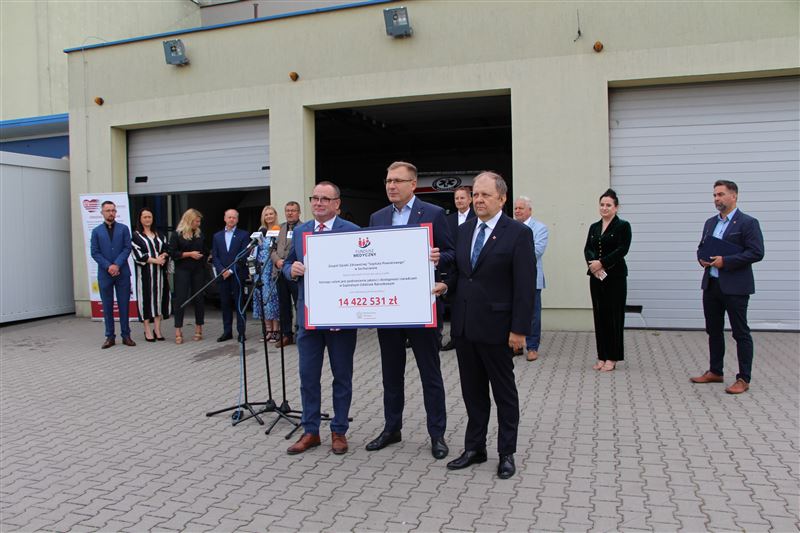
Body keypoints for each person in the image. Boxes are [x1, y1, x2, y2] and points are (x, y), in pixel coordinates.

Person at [434, 171, 535, 479]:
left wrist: (519, 330)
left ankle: (507, 453)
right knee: (473, 393)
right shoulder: (464, 231)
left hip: (498, 329)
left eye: (485, 195)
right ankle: (475, 448)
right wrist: (445, 286)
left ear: (501, 199)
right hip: (465, 328)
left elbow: (525, 287)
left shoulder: (517, 233)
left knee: (504, 394)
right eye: (475, 194)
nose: (478, 200)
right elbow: (462, 275)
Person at [366, 161, 454, 460]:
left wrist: (439, 257)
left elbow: (452, 252)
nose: (391, 186)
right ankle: (392, 429)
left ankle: (437, 434)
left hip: (421, 308)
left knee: (430, 374)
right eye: (388, 181)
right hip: (389, 309)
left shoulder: (433, 213)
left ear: (413, 184)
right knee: (391, 375)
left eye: (398, 181)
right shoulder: (378, 217)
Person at [282, 181, 360, 455]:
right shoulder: (301, 231)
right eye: (314, 198)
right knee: (308, 377)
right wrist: (291, 269)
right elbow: (287, 263)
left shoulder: (352, 231)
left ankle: (339, 430)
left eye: (325, 199)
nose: (318, 203)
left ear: (337, 204)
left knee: (342, 377)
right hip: (310, 318)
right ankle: (310, 431)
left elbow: (362, 270)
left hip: (341, 320)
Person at [691, 180, 764, 394]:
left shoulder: (748, 223)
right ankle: (715, 371)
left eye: (721, 194)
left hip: (735, 287)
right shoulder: (710, 223)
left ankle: (743, 378)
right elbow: (702, 247)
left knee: (740, 333)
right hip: (712, 285)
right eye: (714, 195)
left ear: (734, 196)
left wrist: (726, 261)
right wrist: (701, 259)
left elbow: (756, 252)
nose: (717, 199)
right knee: (713, 330)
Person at [583, 189, 632, 372]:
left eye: (608, 205)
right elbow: (588, 248)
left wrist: (602, 263)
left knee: (613, 317)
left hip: (615, 277)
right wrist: (593, 266)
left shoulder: (623, 226)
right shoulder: (594, 227)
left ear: (616, 207)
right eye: (602, 205)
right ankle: (601, 355)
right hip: (596, 277)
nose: (604, 208)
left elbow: (622, 249)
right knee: (600, 316)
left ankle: (612, 357)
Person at [90, 200, 136, 349]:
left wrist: (117, 264)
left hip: (122, 272)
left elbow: (127, 248)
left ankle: (126, 335)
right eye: (108, 210)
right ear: (102, 213)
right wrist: (108, 266)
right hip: (105, 274)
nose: (111, 213)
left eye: (113, 210)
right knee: (107, 306)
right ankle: (110, 336)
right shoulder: (96, 231)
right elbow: (95, 252)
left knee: (124, 305)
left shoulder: (124, 229)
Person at [513, 196, 549, 361]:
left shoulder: (540, 228)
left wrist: (512, 254)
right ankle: (517, 345)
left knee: (533, 314)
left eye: (521, 208)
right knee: (514, 312)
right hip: (512, 278)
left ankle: (532, 347)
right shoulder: (509, 227)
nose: (517, 211)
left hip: (532, 279)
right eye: (516, 208)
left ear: (529, 210)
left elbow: (537, 251)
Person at [441, 185, 476, 351]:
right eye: (457, 198)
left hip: (472, 267)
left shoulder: (478, 217)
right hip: (453, 268)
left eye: (462, 198)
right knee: (455, 305)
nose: (459, 201)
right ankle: (455, 339)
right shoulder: (448, 219)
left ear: (470, 199)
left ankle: (473, 336)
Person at [131, 207, 171, 342]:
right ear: (140, 219)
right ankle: (147, 330)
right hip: (145, 275)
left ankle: (157, 329)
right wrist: (156, 260)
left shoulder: (159, 234)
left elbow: (167, 248)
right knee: (146, 300)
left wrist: (164, 255)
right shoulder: (136, 236)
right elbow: (138, 255)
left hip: (160, 275)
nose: (147, 219)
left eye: (149, 217)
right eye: (145, 217)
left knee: (160, 299)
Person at [212, 209, 250, 343]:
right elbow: (215, 256)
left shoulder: (244, 235)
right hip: (223, 275)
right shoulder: (217, 236)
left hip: (237, 274)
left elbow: (244, 255)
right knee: (225, 303)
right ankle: (227, 332)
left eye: (234, 217)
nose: (231, 219)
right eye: (229, 217)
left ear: (237, 220)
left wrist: (232, 270)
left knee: (239, 304)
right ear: (225, 218)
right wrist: (222, 270)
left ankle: (241, 332)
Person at [170, 208, 206, 344]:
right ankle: (178, 329)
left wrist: (205, 255)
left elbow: (205, 250)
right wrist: (189, 254)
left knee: (199, 298)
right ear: (189, 221)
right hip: (182, 270)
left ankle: (199, 327)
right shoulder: (177, 235)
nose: (198, 224)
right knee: (180, 299)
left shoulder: (199, 234)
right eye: (196, 221)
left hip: (198, 269)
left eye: (199, 221)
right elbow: (173, 253)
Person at [271, 201, 302, 348]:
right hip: (279, 273)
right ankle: (286, 335)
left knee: (299, 304)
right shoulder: (279, 228)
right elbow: (271, 249)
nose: (290, 213)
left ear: (298, 212)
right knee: (283, 305)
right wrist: (277, 261)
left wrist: (291, 263)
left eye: (293, 210)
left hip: (295, 273)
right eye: (287, 210)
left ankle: (300, 333)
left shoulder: (303, 228)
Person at [253, 205, 281, 341]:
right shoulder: (260, 231)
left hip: (272, 268)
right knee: (262, 299)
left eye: (271, 214)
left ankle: (276, 330)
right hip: (260, 269)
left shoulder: (279, 230)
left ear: (275, 215)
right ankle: (267, 330)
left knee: (272, 299)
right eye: (266, 214)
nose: (269, 216)